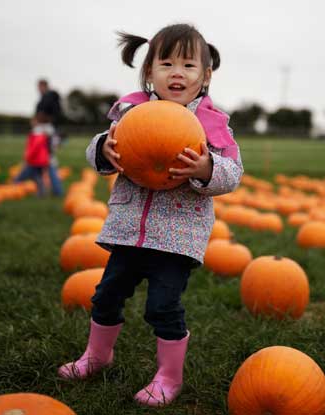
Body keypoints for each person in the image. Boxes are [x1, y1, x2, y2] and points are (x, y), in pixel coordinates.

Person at [57, 24, 243, 407]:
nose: (177, 72)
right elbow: (100, 148)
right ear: (148, 72)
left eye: (189, 64)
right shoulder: (132, 112)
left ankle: (169, 376)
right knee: (105, 295)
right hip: (128, 231)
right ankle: (97, 355)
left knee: (162, 306)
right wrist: (104, 150)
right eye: (167, 63)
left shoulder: (211, 126)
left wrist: (206, 168)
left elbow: (232, 174)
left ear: (205, 76)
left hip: (176, 237)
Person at [13, 112, 54, 196]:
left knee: (22, 176)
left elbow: (35, 147)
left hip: (35, 159)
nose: (31, 122)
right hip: (41, 159)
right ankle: (41, 192)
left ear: (37, 122)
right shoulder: (41, 132)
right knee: (37, 177)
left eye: (33, 120)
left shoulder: (37, 132)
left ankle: (13, 188)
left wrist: (28, 157)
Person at [35, 78, 63, 196]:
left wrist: (40, 121)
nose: (38, 89)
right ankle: (49, 190)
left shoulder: (48, 98)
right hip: (49, 131)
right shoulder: (47, 98)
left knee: (47, 161)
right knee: (45, 161)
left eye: (40, 86)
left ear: (44, 86)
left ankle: (55, 190)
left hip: (47, 131)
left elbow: (48, 115)